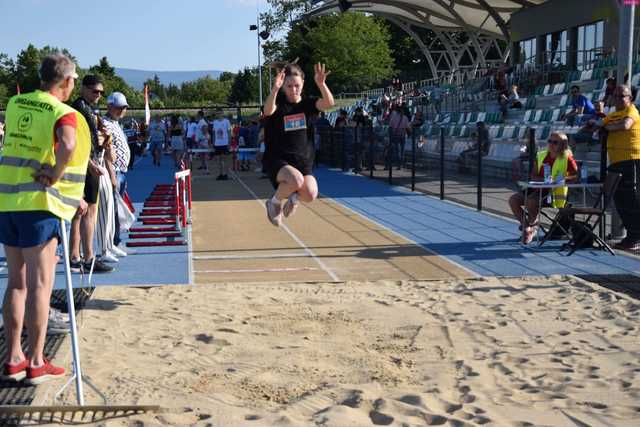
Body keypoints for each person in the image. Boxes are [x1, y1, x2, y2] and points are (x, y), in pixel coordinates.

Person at [0, 54, 91, 384]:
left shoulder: (15, 103)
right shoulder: (63, 111)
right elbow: (68, 145)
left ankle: (13, 358)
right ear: (66, 81)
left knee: (15, 282)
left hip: (8, 201)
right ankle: (36, 361)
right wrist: (56, 174)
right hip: (38, 205)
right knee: (40, 284)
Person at [262, 62, 335, 226]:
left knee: (310, 193)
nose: (293, 90)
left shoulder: (308, 104)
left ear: (303, 84)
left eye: (297, 86)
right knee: (295, 179)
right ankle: (273, 203)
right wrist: (274, 88)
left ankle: (294, 199)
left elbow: (329, 104)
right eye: (289, 86)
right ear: (283, 86)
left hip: (302, 161)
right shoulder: (278, 102)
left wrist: (322, 84)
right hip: (278, 159)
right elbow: (267, 111)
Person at [69, 74, 114, 274]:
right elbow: (75, 141)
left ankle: (75, 256)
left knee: (80, 213)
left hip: (87, 162)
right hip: (85, 165)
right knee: (89, 212)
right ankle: (88, 258)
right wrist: (90, 164)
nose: (98, 95)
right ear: (84, 88)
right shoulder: (80, 108)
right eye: (95, 91)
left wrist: (101, 139)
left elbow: (88, 138)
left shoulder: (87, 108)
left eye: (101, 92)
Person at [508, 132, 578, 244]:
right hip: (537, 188)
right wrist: (542, 180)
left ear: (563, 145)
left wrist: (560, 180)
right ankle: (528, 227)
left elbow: (576, 176)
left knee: (531, 201)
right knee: (513, 200)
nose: (551, 144)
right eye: (549, 141)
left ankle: (532, 226)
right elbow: (533, 175)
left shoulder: (567, 158)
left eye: (555, 142)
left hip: (553, 193)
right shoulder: (541, 155)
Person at [602, 85, 640, 251]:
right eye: (615, 96)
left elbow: (625, 126)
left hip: (631, 160)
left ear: (630, 98)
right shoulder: (612, 115)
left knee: (631, 200)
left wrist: (606, 127)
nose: (618, 99)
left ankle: (635, 237)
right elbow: (596, 126)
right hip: (616, 161)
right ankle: (631, 236)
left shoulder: (632, 111)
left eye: (622, 96)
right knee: (618, 199)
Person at [102, 92, 131, 249]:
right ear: (110, 106)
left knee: (117, 209)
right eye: (119, 108)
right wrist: (112, 174)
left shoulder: (115, 123)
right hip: (115, 172)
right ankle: (112, 243)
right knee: (112, 210)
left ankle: (115, 240)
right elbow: (106, 151)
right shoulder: (105, 123)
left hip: (121, 171)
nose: (122, 111)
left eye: (124, 108)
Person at [94, 117, 120, 263]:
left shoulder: (104, 135)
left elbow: (112, 158)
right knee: (102, 215)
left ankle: (109, 246)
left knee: (109, 212)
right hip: (96, 173)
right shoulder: (91, 136)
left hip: (103, 172)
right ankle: (103, 249)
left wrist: (108, 144)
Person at [387, 104, 410, 170]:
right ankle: (401, 164)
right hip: (403, 135)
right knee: (402, 150)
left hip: (396, 135)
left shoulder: (394, 117)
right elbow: (408, 127)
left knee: (397, 150)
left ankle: (398, 165)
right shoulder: (405, 118)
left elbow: (390, 126)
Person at [212, 110, 232, 180]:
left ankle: (226, 174)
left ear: (223, 114)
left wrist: (229, 143)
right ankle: (220, 174)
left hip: (225, 143)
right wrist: (213, 143)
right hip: (217, 144)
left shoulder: (226, 121)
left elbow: (229, 132)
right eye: (217, 113)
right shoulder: (215, 122)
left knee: (225, 159)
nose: (219, 114)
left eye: (220, 113)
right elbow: (214, 133)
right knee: (219, 160)